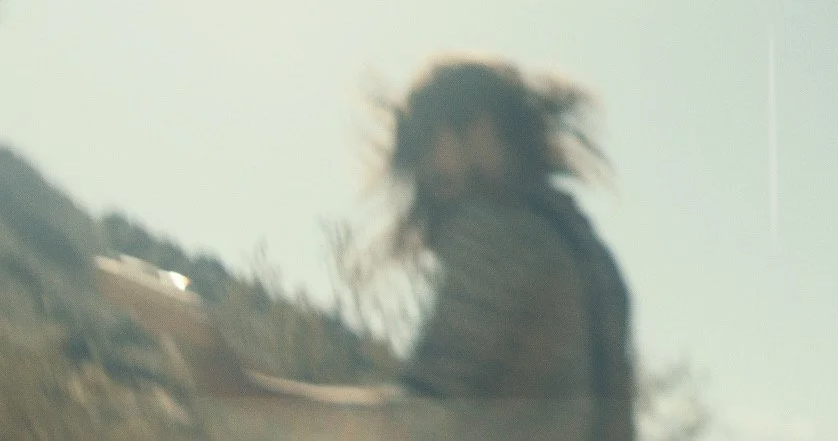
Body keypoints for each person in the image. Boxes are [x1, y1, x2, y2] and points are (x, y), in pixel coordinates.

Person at [117, 57, 636, 440]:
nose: (427, 173)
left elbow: (424, 419)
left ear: (475, 127)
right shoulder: (591, 255)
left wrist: (238, 387)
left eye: (429, 140)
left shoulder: (498, 229)